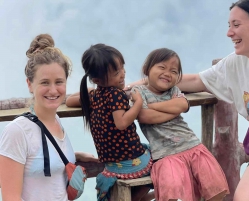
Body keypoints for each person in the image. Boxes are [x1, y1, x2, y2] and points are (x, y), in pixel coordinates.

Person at [154, 0, 249, 200]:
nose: (229, 33)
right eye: (229, 26)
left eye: (236, 25)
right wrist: (146, 82)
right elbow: (197, 80)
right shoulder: (236, 63)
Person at [0, 34, 98, 201]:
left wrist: (73, 156)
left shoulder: (56, 122)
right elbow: (11, 197)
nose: (53, 90)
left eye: (59, 82)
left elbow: (37, 156)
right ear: (29, 84)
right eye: (44, 82)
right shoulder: (17, 131)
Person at [128, 48, 229, 201]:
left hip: (192, 145)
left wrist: (151, 106)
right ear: (147, 69)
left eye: (174, 71)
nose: (167, 73)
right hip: (165, 153)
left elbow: (181, 105)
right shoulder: (138, 91)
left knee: (214, 187)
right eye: (162, 67)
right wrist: (170, 109)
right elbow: (144, 116)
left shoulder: (174, 90)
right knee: (170, 190)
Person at [65, 44, 153, 201]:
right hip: (130, 161)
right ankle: (142, 197)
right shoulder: (116, 95)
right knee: (159, 158)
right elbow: (121, 123)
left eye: (122, 68)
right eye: (117, 72)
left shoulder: (94, 96)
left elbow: (70, 101)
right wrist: (138, 102)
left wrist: (91, 90)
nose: (123, 74)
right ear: (98, 79)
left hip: (111, 164)